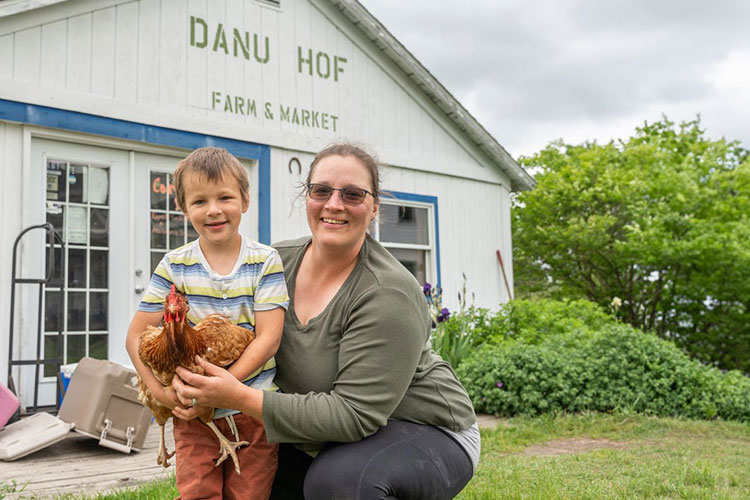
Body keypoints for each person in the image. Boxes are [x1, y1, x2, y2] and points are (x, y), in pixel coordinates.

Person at [172, 143, 479, 499]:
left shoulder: (387, 291)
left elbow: (354, 415)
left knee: (340, 483)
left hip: (423, 427)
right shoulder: (273, 264)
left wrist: (235, 395)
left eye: (352, 194)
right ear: (308, 197)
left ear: (374, 207)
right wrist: (187, 392)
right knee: (244, 471)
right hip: (320, 433)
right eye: (321, 191)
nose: (334, 204)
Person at [125, 147, 288, 500]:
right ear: (183, 208)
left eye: (224, 198)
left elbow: (269, 339)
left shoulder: (265, 261)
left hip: (252, 407)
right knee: (198, 493)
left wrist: (223, 390)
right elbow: (135, 336)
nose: (213, 210)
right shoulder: (174, 265)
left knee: (249, 494)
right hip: (193, 414)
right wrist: (162, 395)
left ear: (245, 200)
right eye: (199, 201)